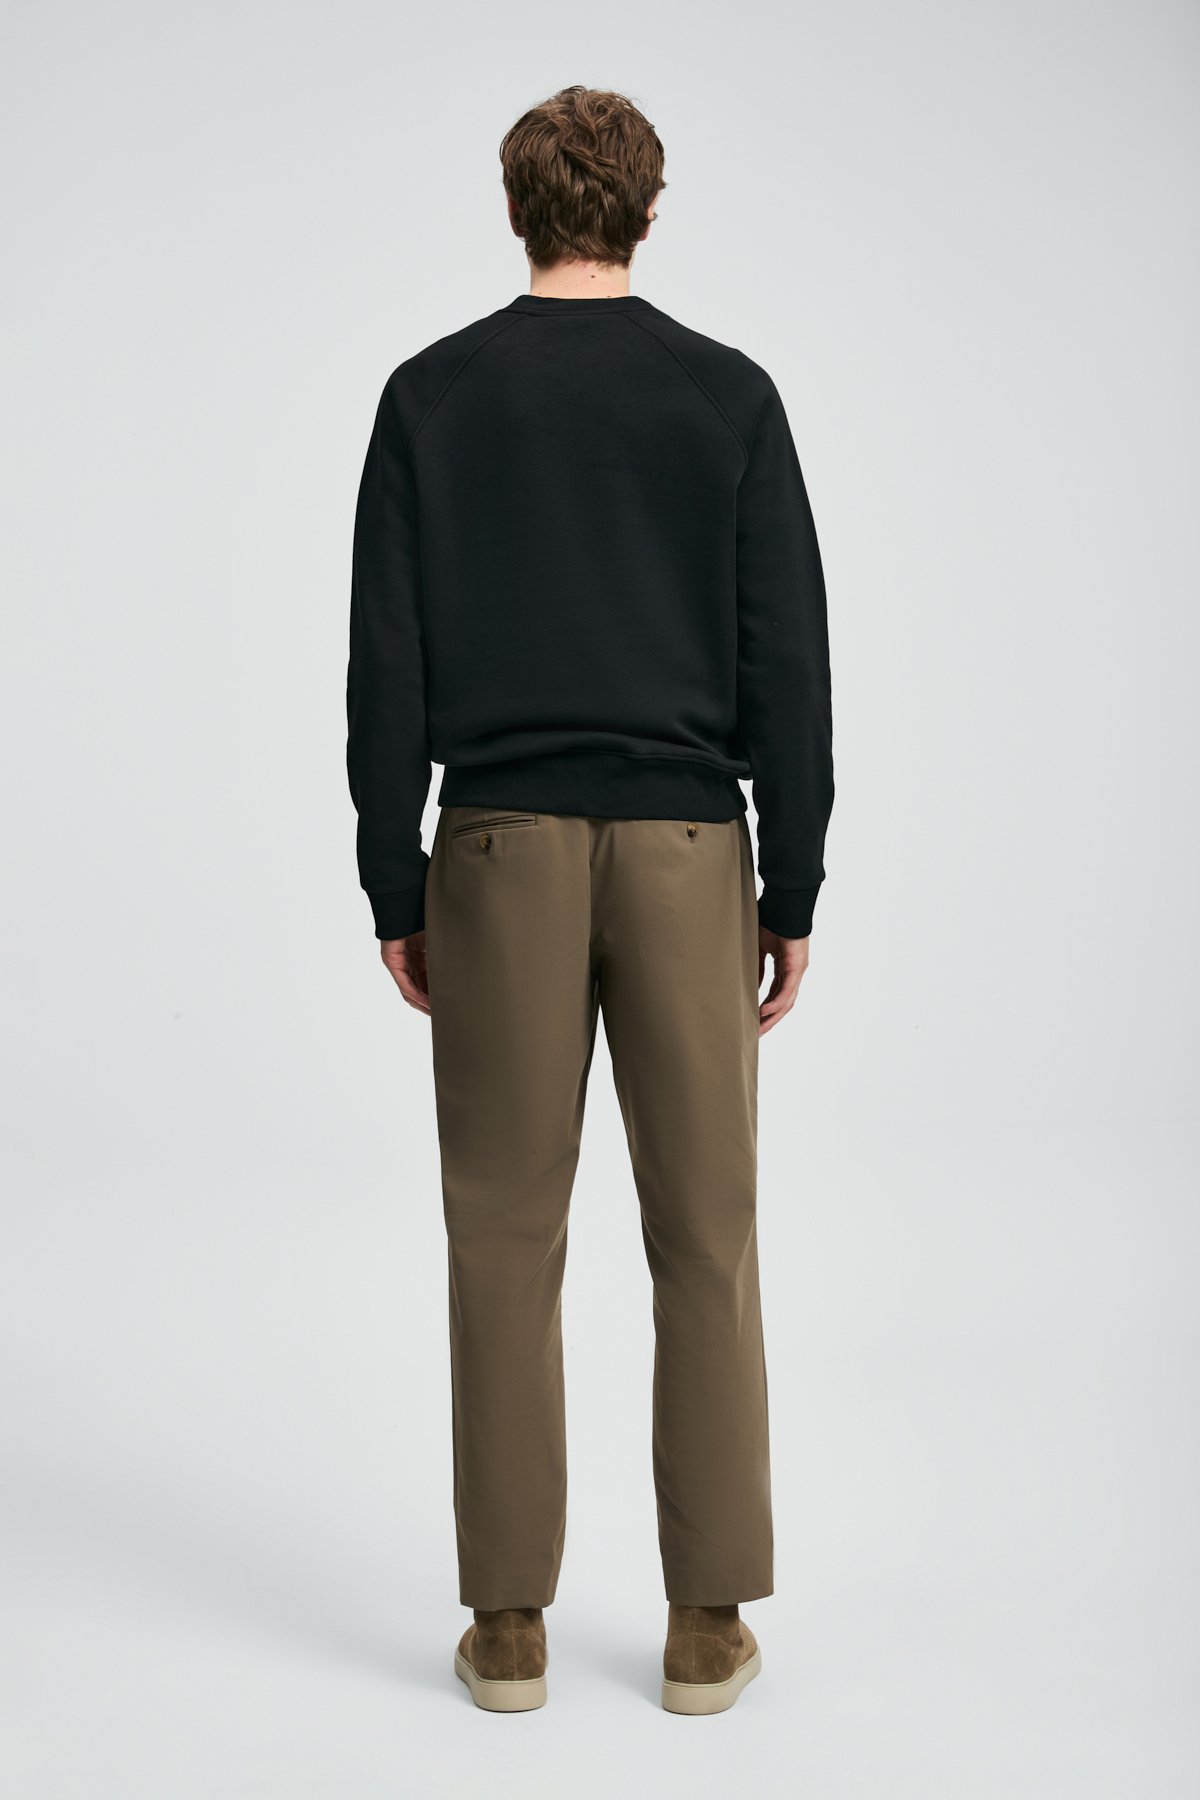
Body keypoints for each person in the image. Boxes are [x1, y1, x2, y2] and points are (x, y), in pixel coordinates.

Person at [346, 84, 834, 1716]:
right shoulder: (728, 399)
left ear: (516, 208)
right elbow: (788, 659)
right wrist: (793, 879)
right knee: (708, 1234)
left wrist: (394, 873)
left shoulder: (431, 397)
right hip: (690, 851)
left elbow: (386, 661)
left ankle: (507, 1629)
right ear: (647, 209)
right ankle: (706, 1623)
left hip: (495, 854)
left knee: (501, 1236)